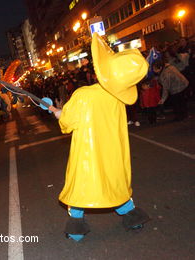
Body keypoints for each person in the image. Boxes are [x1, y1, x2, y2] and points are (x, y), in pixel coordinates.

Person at [48, 33, 150, 242]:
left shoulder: (84, 94)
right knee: (115, 185)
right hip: (112, 152)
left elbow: (67, 122)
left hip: (87, 154)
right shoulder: (117, 99)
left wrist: (57, 112)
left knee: (80, 188)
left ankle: (76, 230)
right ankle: (134, 218)